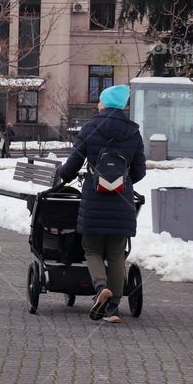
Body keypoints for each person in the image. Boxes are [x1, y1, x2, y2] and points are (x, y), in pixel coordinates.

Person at [56, 84, 146, 324]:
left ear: (105, 103)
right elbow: (139, 171)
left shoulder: (91, 127)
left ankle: (100, 288)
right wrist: (121, 182)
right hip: (122, 200)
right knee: (116, 254)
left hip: (94, 200)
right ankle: (113, 308)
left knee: (92, 249)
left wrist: (63, 177)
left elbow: (72, 165)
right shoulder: (133, 132)